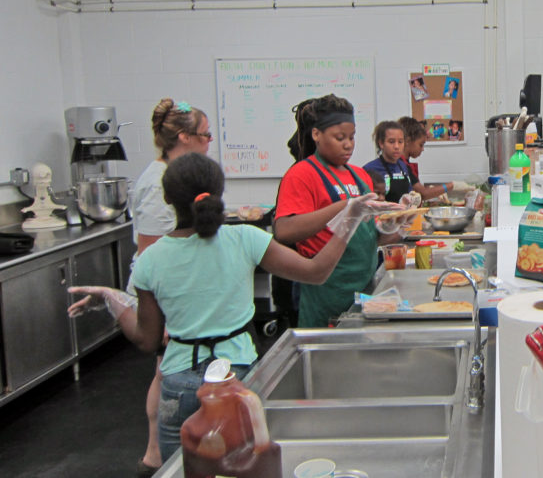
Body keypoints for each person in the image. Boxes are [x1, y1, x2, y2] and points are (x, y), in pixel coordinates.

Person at [70, 153, 396, 460]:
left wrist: (112, 299)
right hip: (238, 378)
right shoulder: (244, 238)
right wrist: (349, 220)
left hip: (178, 388)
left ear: (168, 200)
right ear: (218, 192)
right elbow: (316, 272)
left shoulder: (150, 260)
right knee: (243, 466)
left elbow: (147, 339)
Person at [73, 98, 212, 477]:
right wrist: (164, 314)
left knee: (165, 371)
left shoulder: (177, 172)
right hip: (161, 290)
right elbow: (152, 252)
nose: (209, 141)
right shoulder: (157, 183)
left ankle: (158, 452)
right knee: (165, 371)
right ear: (183, 137)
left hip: (177, 286)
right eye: (205, 135)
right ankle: (154, 453)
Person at [273, 95, 416, 328]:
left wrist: (397, 227)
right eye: (340, 138)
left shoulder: (360, 176)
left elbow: (370, 239)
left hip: (366, 290)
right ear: (317, 134)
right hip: (327, 294)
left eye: (351, 137)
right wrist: (343, 207)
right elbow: (284, 231)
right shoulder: (302, 175)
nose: (348, 144)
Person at [362, 120, 459, 202]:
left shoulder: (403, 166)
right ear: (381, 143)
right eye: (391, 142)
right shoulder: (369, 170)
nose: (396, 146)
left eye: (400, 142)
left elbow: (412, 194)